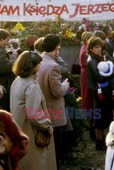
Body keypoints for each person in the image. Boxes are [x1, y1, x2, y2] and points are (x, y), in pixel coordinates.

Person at [10, 51, 56, 170]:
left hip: (20, 130)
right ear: (33, 66)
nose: (40, 67)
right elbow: (34, 114)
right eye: (39, 65)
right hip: (32, 133)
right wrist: (48, 126)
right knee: (38, 163)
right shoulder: (31, 86)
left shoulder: (17, 81)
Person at [36, 34, 69, 164]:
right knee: (56, 149)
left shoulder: (39, 61)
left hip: (41, 110)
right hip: (53, 111)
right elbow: (58, 92)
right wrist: (65, 85)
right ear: (57, 48)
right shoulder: (53, 66)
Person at [86, 36, 114, 150]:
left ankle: (102, 138)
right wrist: (111, 73)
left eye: (100, 47)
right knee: (100, 116)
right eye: (96, 47)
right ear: (91, 48)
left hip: (104, 90)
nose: (99, 49)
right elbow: (100, 77)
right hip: (99, 91)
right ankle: (99, 142)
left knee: (106, 115)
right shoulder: (92, 60)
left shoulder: (99, 57)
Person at [0, 29, 17, 111]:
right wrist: (13, 58)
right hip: (3, 83)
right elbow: (5, 68)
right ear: (1, 39)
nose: (8, 43)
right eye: (7, 40)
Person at [79, 31, 93, 112]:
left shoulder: (84, 46)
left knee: (85, 93)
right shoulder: (85, 49)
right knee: (86, 94)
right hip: (86, 72)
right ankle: (85, 112)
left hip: (85, 71)